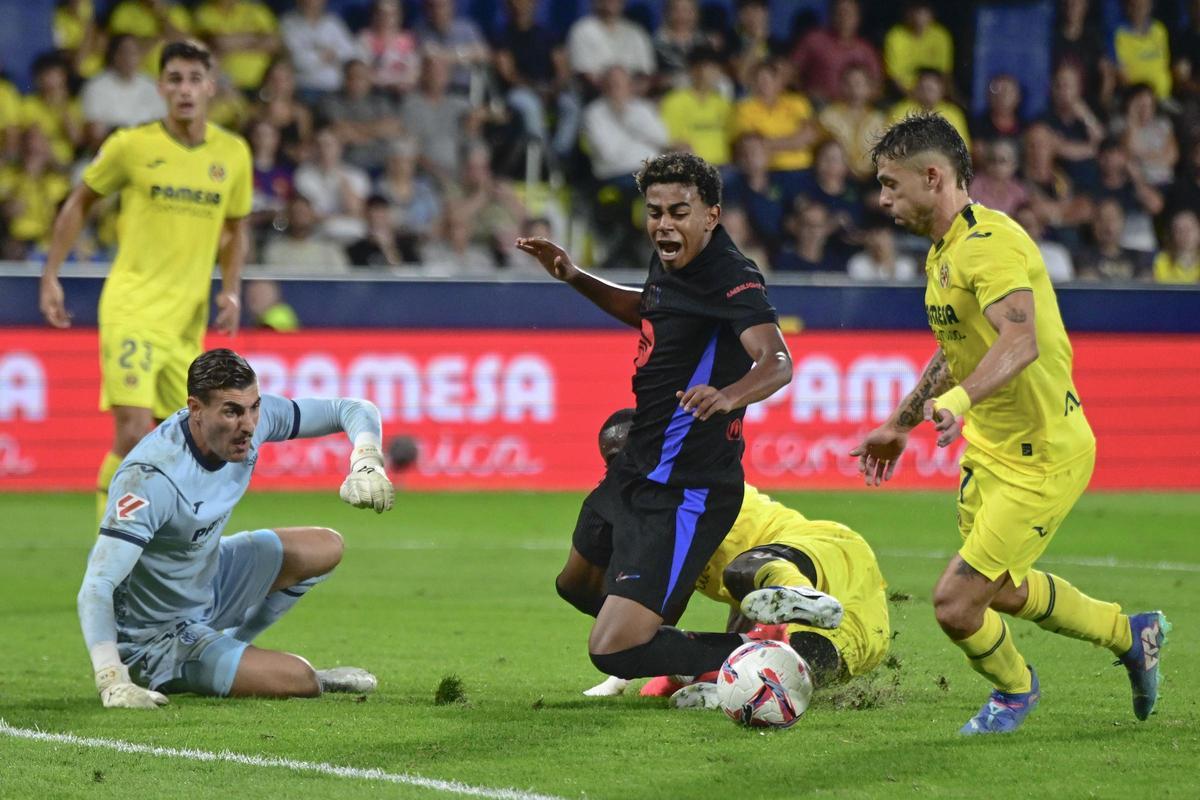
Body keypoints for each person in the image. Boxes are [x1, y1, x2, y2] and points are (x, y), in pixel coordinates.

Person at [852, 112, 1168, 735]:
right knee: (998, 591)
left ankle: (1016, 691)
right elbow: (957, 347)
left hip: (1042, 454)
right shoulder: (945, 250)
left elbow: (1019, 341)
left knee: (954, 603)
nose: (882, 197)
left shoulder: (990, 245)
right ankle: (1132, 635)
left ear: (933, 177)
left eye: (891, 184)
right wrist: (900, 422)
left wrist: (960, 404)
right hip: (991, 450)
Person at [515, 152, 793, 682]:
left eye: (679, 212)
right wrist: (574, 275)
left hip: (685, 487)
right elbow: (651, 307)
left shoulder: (730, 276)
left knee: (614, 651)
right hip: (637, 465)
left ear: (711, 215)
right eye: (655, 211)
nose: (664, 224)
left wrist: (730, 395)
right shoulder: (669, 260)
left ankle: (763, 649)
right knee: (575, 585)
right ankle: (681, 647)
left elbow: (777, 361)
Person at [78, 348, 394, 709]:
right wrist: (111, 679)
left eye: (253, 407)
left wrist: (366, 459)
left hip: (208, 579)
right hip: (156, 636)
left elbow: (353, 409)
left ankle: (232, 644)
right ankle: (225, 663)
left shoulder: (253, 421)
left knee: (325, 546)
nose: (248, 425)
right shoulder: (150, 477)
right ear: (195, 408)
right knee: (301, 680)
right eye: (231, 411)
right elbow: (97, 585)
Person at [38, 40, 251, 525]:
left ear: (210, 88)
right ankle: (111, 553)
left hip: (185, 322)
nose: (184, 90)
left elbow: (237, 227)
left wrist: (231, 288)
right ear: (160, 88)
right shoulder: (131, 147)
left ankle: (168, 551)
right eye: (174, 79)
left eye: (194, 80)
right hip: (132, 307)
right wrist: (51, 274)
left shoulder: (232, 153)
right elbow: (79, 202)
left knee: (195, 442)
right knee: (133, 431)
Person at [559, 409, 889, 705]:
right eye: (611, 460)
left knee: (747, 569)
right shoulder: (662, 514)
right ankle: (728, 685)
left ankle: (795, 595)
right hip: (830, 596)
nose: (620, 468)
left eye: (625, 456)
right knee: (801, 667)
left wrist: (624, 674)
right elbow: (666, 609)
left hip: (818, 550)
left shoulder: (688, 495)